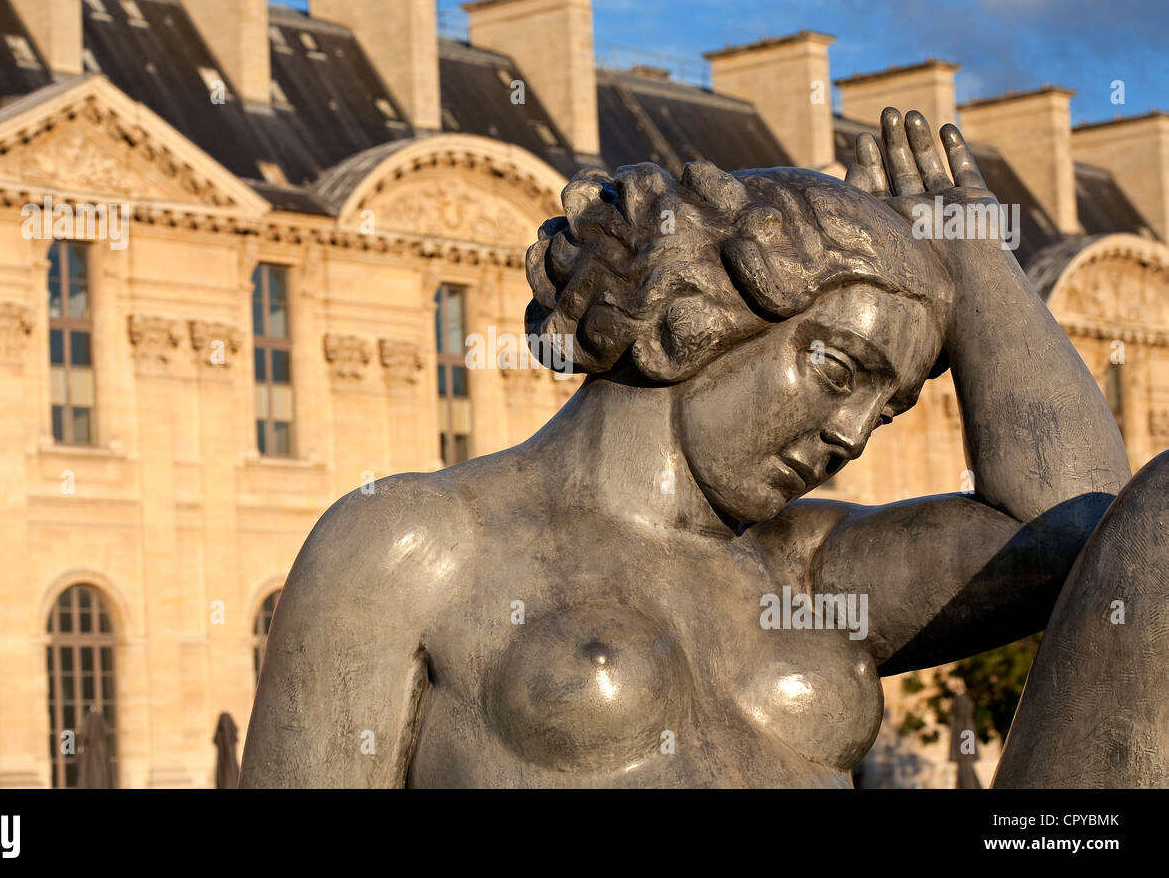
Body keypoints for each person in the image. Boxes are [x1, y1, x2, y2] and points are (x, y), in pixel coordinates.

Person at [240, 109, 1137, 787]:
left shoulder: (805, 574)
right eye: (838, 369)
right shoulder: (420, 542)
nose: (852, 435)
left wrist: (976, 256)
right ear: (692, 323)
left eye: (888, 410)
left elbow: (1079, 528)